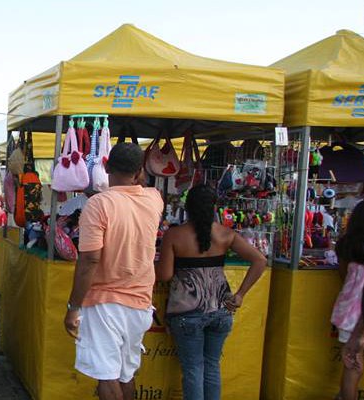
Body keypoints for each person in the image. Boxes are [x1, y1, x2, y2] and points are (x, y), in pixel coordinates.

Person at [63, 142, 164, 400]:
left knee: (107, 377)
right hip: (141, 303)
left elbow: (90, 261)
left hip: (105, 303)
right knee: (125, 375)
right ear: (140, 170)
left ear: (106, 166)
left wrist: (73, 307)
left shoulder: (99, 204)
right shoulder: (154, 200)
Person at [156, 185, 267, 400]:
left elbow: (165, 275)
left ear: (187, 208)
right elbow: (260, 260)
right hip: (221, 309)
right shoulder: (226, 234)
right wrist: (241, 294)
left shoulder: (174, 235)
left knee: (193, 369)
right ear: (214, 207)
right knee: (212, 366)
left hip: (186, 312)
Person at [336, 199, 364, 400]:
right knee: (355, 363)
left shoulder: (346, 245)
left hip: (349, 310)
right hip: (362, 311)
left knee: (352, 364)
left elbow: (343, 276)